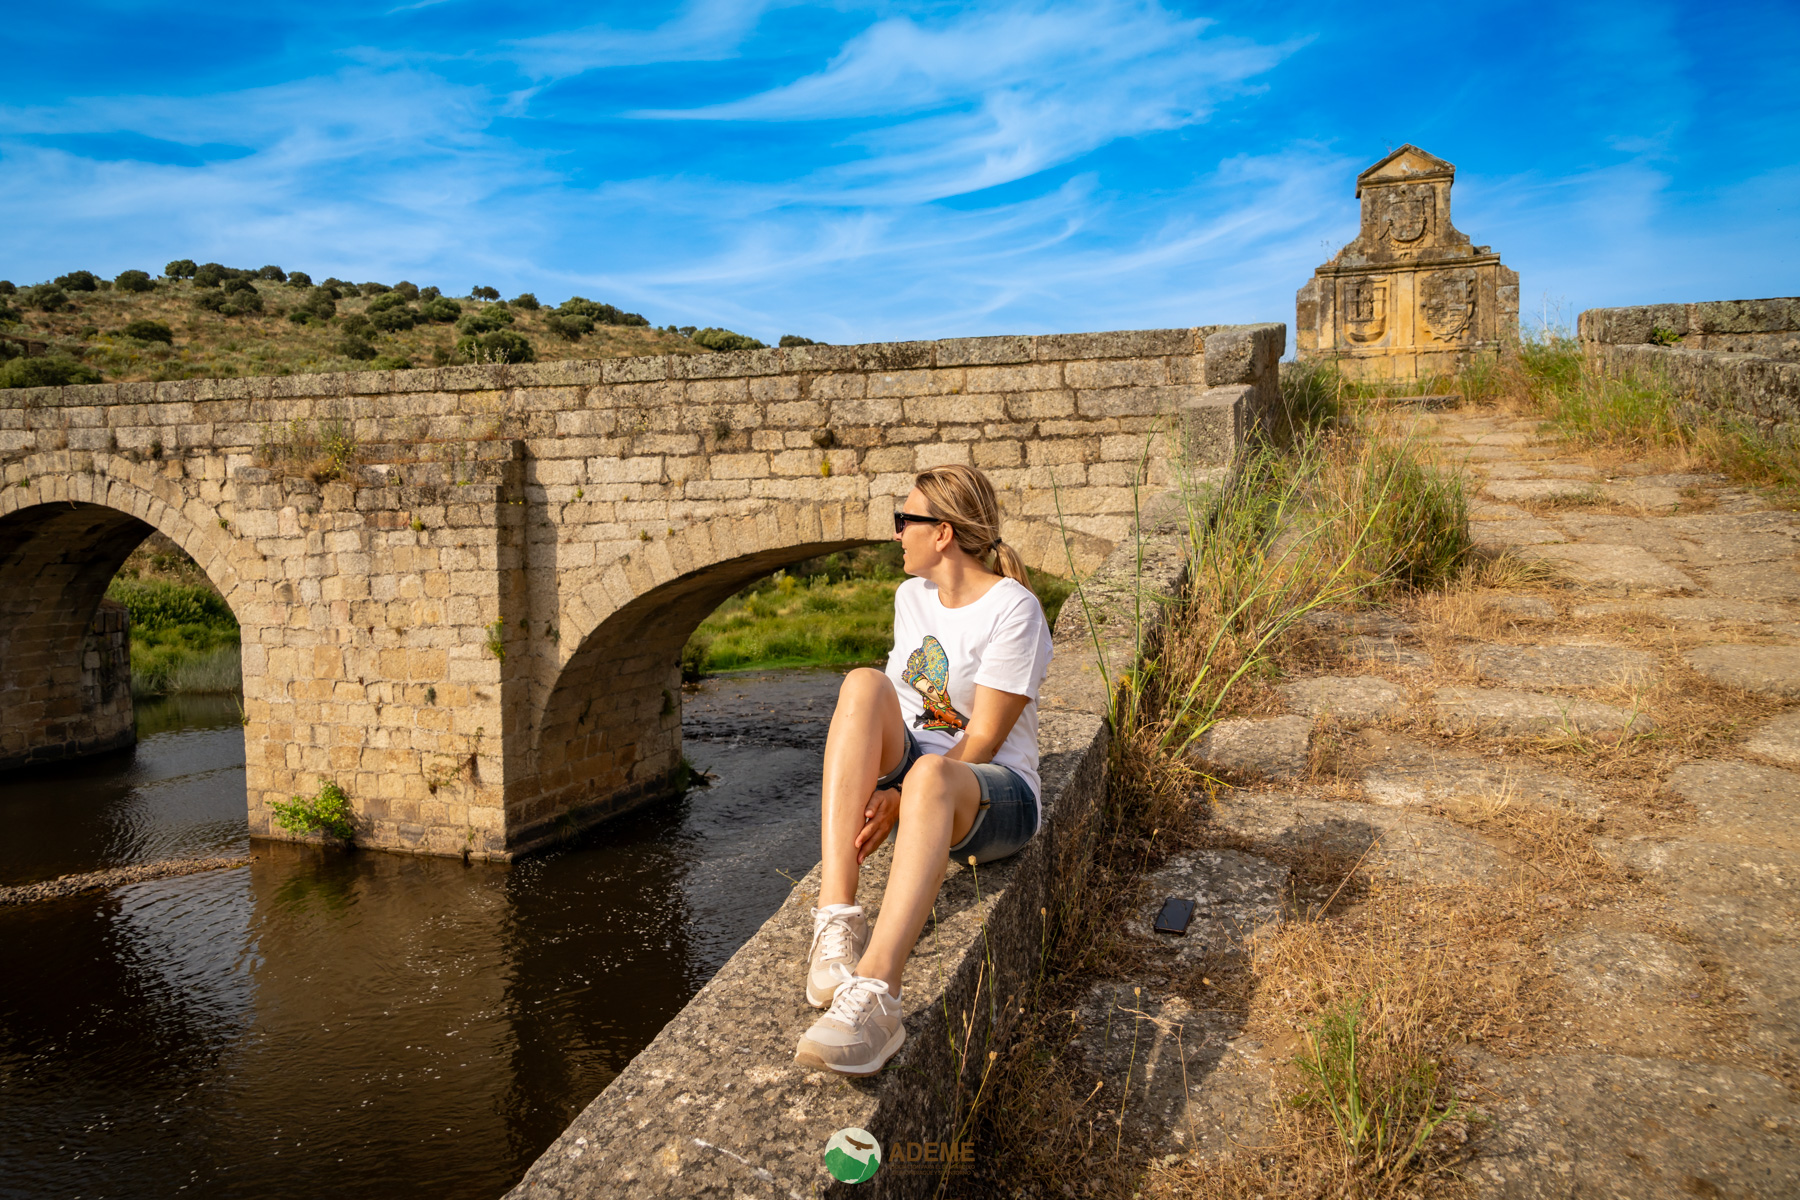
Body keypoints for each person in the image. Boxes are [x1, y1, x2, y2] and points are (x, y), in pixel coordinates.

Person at [794, 464, 1054, 1076]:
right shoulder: (910, 597)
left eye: (903, 521)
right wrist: (890, 783)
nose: (896, 535)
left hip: (996, 792)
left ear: (941, 533)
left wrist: (910, 790)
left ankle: (880, 996)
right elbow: (904, 706)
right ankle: (837, 921)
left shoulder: (1014, 610)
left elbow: (985, 737)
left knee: (933, 777)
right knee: (862, 683)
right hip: (923, 768)